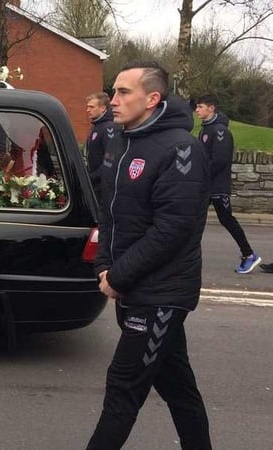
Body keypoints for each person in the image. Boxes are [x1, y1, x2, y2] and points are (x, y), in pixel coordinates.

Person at [88, 61, 212, 449]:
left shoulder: (181, 149)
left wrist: (118, 276)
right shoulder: (120, 141)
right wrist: (104, 264)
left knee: (123, 387)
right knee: (178, 387)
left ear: (152, 98)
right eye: (113, 91)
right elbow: (110, 212)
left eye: (124, 92)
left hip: (160, 294)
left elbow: (172, 230)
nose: (113, 100)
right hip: (131, 286)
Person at [195, 94, 262, 274]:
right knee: (195, 220)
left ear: (211, 108)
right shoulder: (205, 129)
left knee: (227, 220)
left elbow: (220, 160)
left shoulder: (220, 131)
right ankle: (186, 257)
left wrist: (201, 175)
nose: (196, 110)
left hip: (217, 187)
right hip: (206, 186)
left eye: (200, 106)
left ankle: (249, 254)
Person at [85, 92, 115, 201]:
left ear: (103, 108)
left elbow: (111, 160)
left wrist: (91, 177)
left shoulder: (109, 128)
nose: (88, 110)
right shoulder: (96, 126)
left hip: (102, 186)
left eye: (91, 107)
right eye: (87, 107)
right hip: (95, 184)